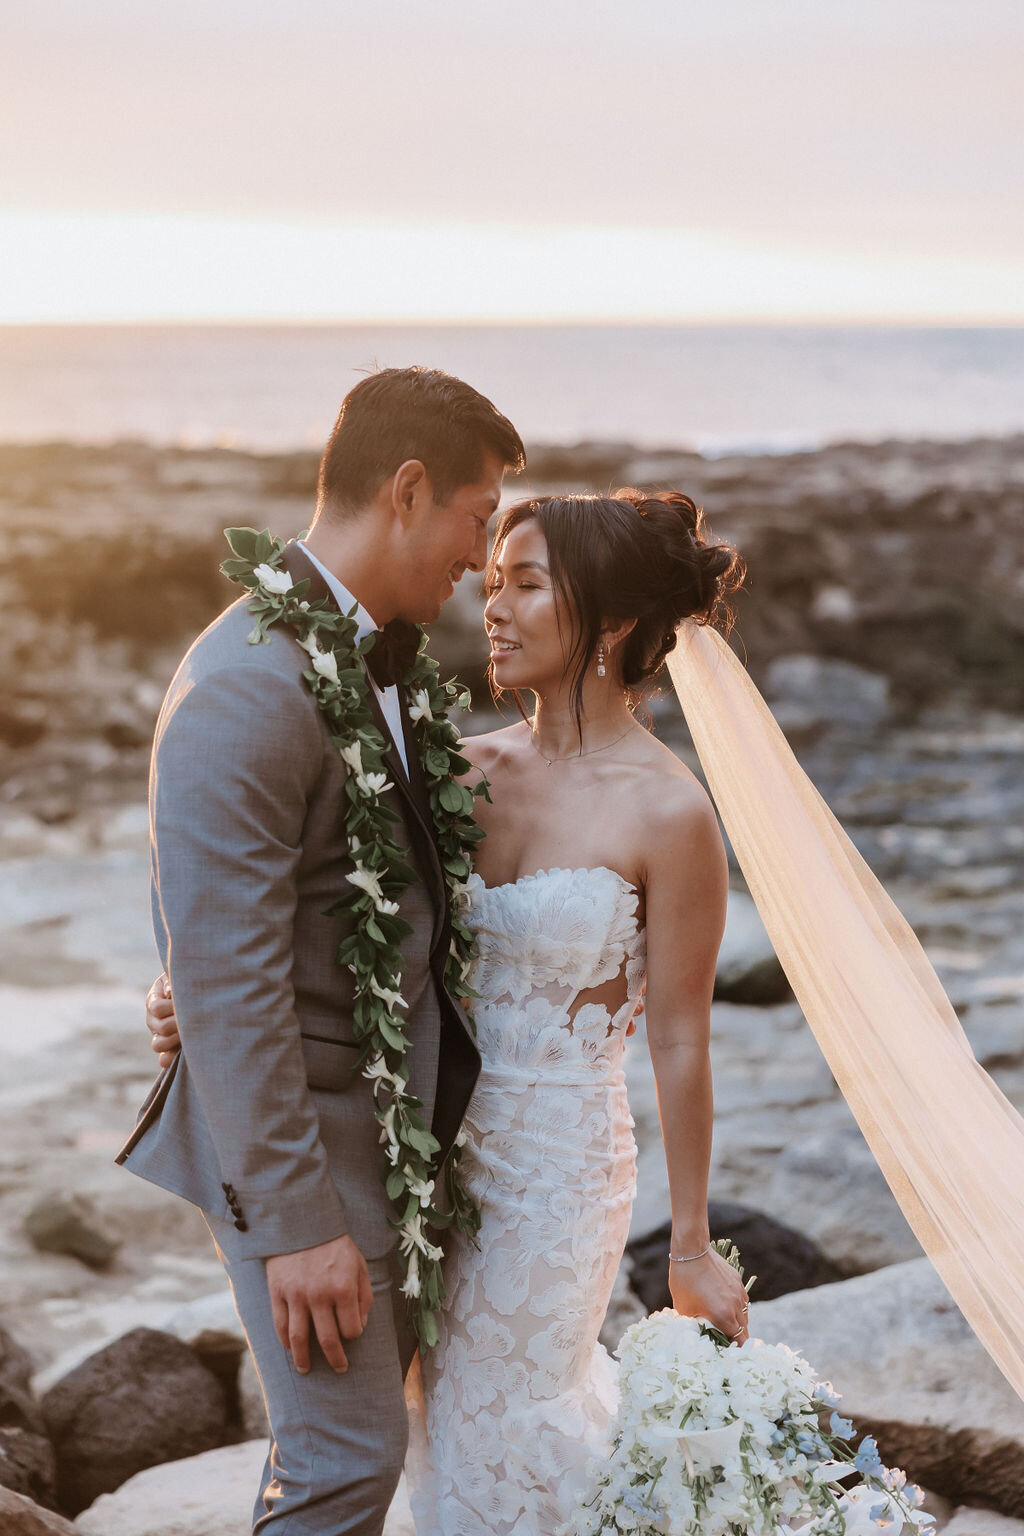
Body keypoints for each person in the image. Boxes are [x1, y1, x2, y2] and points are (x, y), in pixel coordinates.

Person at [148, 486, 752, 1533]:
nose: (492, 607)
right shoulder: (456, 770)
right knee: (422, 1427)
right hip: (418, 1151)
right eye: (491, 580)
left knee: (506, 1419)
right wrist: (186, 1003)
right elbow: (345, 926)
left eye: (525, 585)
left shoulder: (671, 811)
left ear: (608, 621)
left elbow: (682, 1035)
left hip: (557, 1166)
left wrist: (690, 1239)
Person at [118, 365, 526, 1536]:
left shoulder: (366, 649)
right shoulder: (249, 683)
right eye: (475, 514)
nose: (477, 554)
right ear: (407, 489)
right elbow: (231, 980)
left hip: (381, 1127)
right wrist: (295, 1225)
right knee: (344, 1457)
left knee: (363, 1444)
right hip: (309, 1146)